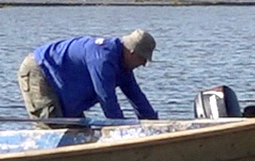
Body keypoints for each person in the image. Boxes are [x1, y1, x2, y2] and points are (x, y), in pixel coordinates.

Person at [19, 29, 160, 121]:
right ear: (132, 52)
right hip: (39, 71)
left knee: (75, 129)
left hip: (64, 87)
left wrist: (154, 125)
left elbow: (137, 97)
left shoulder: (124, 67)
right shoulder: (103, 58)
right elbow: (106, 98)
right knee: (52, 125)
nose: (143, 64)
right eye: (143, 58)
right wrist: (122, 129)